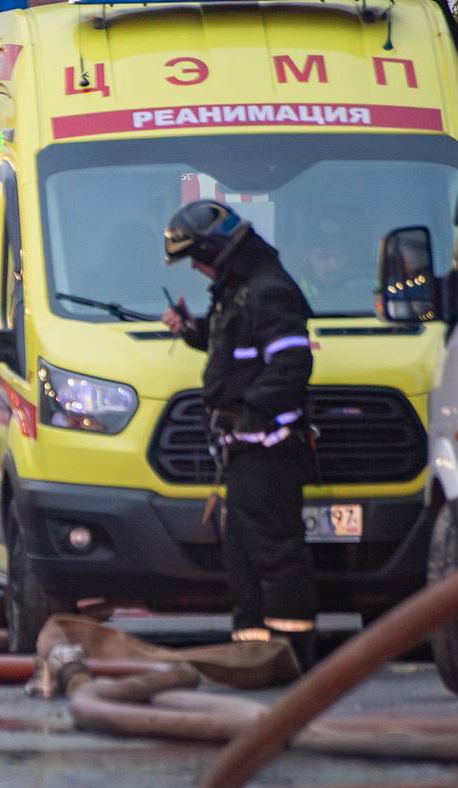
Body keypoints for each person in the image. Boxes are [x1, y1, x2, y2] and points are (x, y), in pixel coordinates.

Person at [161, 199, 318, 669]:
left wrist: (251, 412)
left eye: (198, 257)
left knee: (274, 552)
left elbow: (291, 362)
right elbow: (233, 340)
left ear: (217, 249)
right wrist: (192, 330)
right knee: (242, 553)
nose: (196, 268)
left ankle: (291, 651)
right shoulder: (243, 289)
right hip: (245, 448)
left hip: (267, 448)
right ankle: (251, 648)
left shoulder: (270, 291)